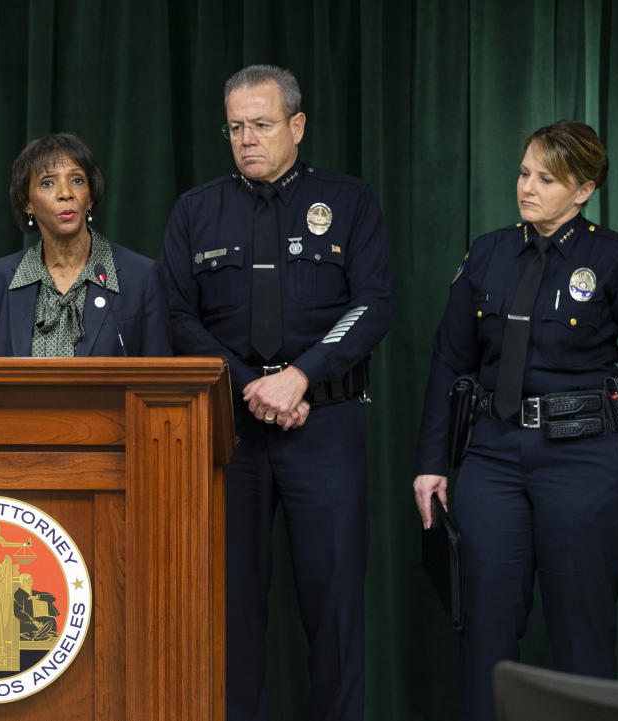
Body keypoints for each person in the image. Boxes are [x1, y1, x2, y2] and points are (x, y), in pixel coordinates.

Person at [160, 65, 393, 721]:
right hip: (231, 431)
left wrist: (301, 375)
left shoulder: (348, 201)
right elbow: (179, 316)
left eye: (260, 125)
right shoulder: (196, 209)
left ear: (296, 124)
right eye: (235, 127)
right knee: (229, 608)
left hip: (325, 425)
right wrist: (249, 384)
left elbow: (373, 305)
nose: (246, 139)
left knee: (336, 605)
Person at [413, 120, 618, 721]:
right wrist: (431, 466)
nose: (527, 188)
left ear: (584, 189)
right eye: (525, 172)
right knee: (486, 636)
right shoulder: (488, 253)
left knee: (583, 637)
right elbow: (450, 360)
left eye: (546, 179)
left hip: (584, 461)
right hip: (493, 461)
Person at [0, 133, 170, 357]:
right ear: (27, 203)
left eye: (77, 180)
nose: (65, 194)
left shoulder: (141, 277)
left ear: (89, 197)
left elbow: (160, 382)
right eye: (48, 183)